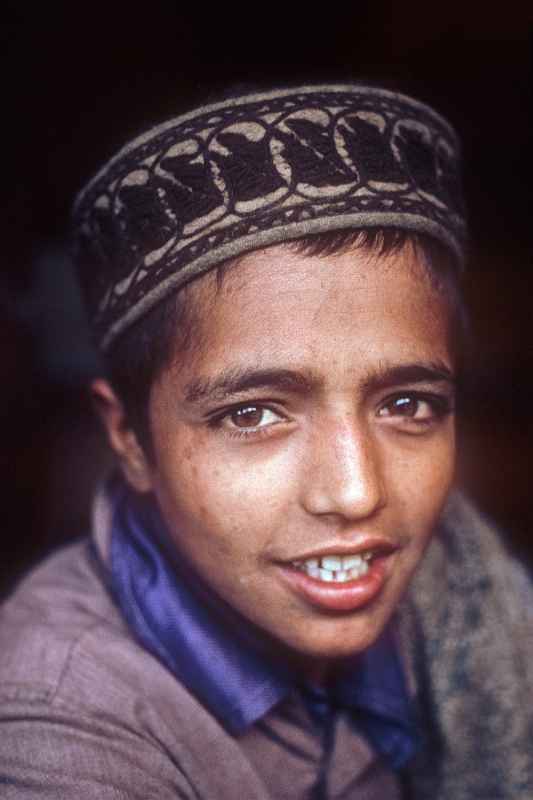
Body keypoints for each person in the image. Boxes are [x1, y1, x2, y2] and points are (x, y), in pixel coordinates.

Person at [0, 83, 531, 800]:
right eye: (252, 414)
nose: (355, 492)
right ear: (129, 439)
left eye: (406, 403)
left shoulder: (464, 585)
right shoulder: (56, 724)